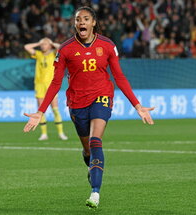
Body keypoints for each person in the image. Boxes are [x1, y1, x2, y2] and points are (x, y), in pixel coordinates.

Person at [23, 6, 154, 209]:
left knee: (95, 141)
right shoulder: (65, 49)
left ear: (93, 22)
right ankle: (92, 167)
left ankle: (95, 192)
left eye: (85, 19)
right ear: (74, 24)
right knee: (87, 150)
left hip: (102, 96)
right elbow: (56, 83)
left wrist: (137, 105)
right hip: (76, 103)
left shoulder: (108, 46)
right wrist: (41, 111)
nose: (81, 22)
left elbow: (119, 77)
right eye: (78, 20)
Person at [24, 37, 68, 141]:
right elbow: (26, 47)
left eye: (45, 44)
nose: (43, 46)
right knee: (40, 110)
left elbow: (62, 47)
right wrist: (38, 42)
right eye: (42, 44)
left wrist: (52, 42)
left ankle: (61, 133)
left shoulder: (53, 54)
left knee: (55, 109)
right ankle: (44, 134)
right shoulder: (38, 54)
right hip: (39, 85)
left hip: (51, 86)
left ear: (49, 45)